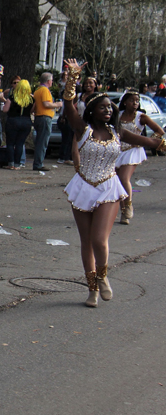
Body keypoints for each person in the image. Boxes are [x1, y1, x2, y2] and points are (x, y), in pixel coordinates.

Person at [61, 59, 166, 307]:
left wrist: (161, 141)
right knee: (86, 242)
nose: (108, 110)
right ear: (92, 111)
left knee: (99, 240)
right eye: (103, 108)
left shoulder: (118, 133)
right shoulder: (82, 130)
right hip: (83, 186)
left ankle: (103, 276)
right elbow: (68, 106)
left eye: (110, 108)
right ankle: (92, 289)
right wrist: (73, 78)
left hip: (109, 186)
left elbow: (151, 142)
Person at [115, 90, 164, 224]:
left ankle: (128, 206)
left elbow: (160, 131)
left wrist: (148, 141)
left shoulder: (141, 117)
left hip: (133, 151)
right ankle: (122, 211)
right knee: (117, 181)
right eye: (132, 100)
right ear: (125, 102)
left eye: (137, 101)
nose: (135, 103)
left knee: (124, 178)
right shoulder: (117, 115)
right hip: (118, 150)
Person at [32, 72, 62, 171]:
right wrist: (57, 104)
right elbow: (46, 104)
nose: (52, 82)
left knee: (40, 141)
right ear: (48, 81)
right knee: (43, 142)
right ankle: (38, 163)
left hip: (38, 117)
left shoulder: (37, 90)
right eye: (52, 80)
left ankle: (38, 162)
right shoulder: (45, 90)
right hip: (44, 117)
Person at [5, 79, 34, 170]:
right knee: (20, 143)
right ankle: (17, 164)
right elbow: (32, 111)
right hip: (26, 121)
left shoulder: (12, 97)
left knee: (10, 143)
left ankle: (11, 163)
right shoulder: (32, 99)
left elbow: (5, 110)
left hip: (13, 121)